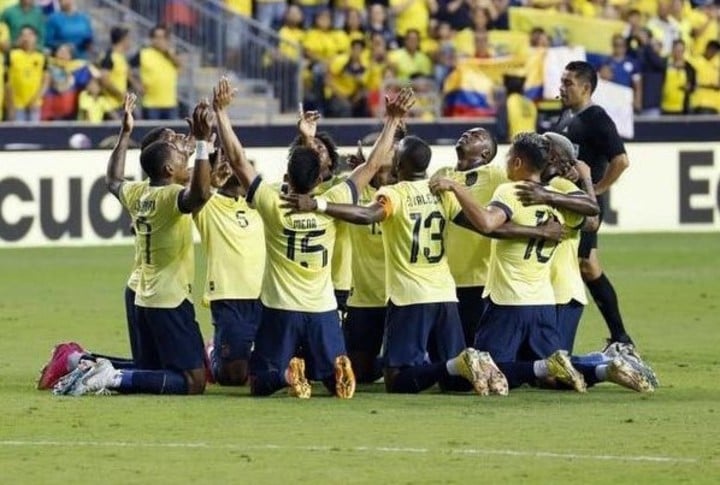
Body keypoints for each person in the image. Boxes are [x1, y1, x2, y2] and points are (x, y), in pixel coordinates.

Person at [213, 79, 414, 399]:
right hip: (323, 308)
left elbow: (238, 161)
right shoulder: (332, 201)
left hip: (280, 307)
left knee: (261, 383)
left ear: (287, 177)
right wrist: (391, 120)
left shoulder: (272, 203)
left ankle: (287, 374)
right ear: (321, 177)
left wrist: (221, 113)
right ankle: (332, 373)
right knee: (334, 382)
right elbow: (372, 163)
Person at [282, 133, 509, 397]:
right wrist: (531, 230)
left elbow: (367, 215)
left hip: (410, 297)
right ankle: (472, 362)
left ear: (399, 165)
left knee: (398, 379)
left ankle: (463, 362)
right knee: (454, 382)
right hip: (446, 296)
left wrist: (319, 205)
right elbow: (484, 226)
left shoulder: (394, 194)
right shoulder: (441, 192)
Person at [430, 132, 654, 394]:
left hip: (508, 299)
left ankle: (589, 364)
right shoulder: (555, 197)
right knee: (551, 375)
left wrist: (457, 189)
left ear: (516, 163)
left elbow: (487, 223)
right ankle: (603, 368)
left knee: (489, 369)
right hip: (543, 301)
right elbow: (592, 214)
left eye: (508, 157)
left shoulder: (513, 190)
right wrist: (572, 189)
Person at [54, 98, 215, 396]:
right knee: (194, 382)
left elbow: (113, 179)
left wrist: (125, 133)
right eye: (181, 157)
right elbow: (201, 193)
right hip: (169, 299)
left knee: (151, 369)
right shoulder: (170, 198)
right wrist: (204, 142)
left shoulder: (138, 191)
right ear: (168, 168)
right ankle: (112, 378)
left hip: (146, 295)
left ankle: (86, 365)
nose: (186, 158)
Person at [554, 60, 634, 346]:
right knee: (588, 266)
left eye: (568, 83)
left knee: (578, 265)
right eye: (562, 82)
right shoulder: (565, 116)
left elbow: (621, 160)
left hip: (581, 207)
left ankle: (559, 343)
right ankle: (620, 337)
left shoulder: (597, 118)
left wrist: (597, 189)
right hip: (563, 202)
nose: (562, 88)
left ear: (586, 88)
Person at [193, 151, 265, 386]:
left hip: (270, 296)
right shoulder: (207, 204)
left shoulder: (264, 203)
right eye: (223, 160)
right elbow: (191, 190)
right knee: (233, 378)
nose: (232, 163)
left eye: (237, 159)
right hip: (229, 297)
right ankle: (212, 350)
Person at [131, 25, 182, 120]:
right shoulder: (144, 53)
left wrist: (168, 52)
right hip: (151, 104)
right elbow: (127, 68)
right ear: (152, 39)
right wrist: (136, 84)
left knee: (171, 133)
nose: (159, 40)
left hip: (170, 103)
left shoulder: (172, 54)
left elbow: (180, 65)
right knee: (152, 133)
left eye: (162, 37)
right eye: (156, 37)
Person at [6, 25, 49, 122]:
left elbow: (46, 81)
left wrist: (37, 98)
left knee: (34, 135)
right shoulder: (12, 55)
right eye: (23, 35)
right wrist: (10, 105)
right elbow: (7, 82)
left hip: (35, 104)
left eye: (29, 35)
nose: (26, 38)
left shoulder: (41, 56)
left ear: (36, 38)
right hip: (16, 104)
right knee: (17, 135)